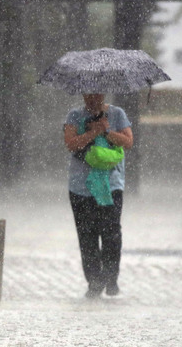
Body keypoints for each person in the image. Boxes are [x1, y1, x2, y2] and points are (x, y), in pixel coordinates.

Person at [63, 93, 133, 299]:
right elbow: (70, 144)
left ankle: (111, 278)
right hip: (80, 187)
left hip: (111, 186)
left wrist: (107, 130)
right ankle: (94, 281)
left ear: (103, 93)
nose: (92, 97)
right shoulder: (74, 115)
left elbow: (128, 142)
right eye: (88, 92)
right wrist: (92, 133)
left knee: (111, 233)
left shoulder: (117, 114)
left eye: (97, 92)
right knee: (87, 236)